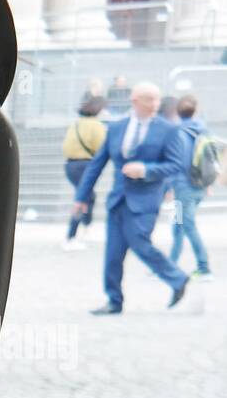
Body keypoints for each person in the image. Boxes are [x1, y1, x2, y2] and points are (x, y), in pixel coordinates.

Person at [73, 82, 191, 314]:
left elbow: (176, 165)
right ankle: (114, 300)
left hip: (145, 200)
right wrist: (81, 196)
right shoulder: (116, 128)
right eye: (149, 99)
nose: (155, 104)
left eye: (157, 99)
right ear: (135, 100)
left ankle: (178, 279)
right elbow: (97, 165)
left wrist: (146, 170)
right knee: (113, 253)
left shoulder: (168, 130)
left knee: (140, 243)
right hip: (118, 200)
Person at [167, 94, 213, 282]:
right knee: (178, 225)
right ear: (196, 109)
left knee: (187, 225)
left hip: (182, 189)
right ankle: (170, 264)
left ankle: (204, 268)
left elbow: (176, 163)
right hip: (198, 187)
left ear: (177, 111)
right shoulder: (204, 130)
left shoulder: (177, 132)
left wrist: (169, 187)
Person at [62, 95, 107, 250]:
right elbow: (102, 147)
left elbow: (66, 146)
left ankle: (86, 228)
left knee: (88, 197)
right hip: (85, 166)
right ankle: (71, 236)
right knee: (82, 198)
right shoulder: (96, 125)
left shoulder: (75, 124)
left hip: (70, 165)